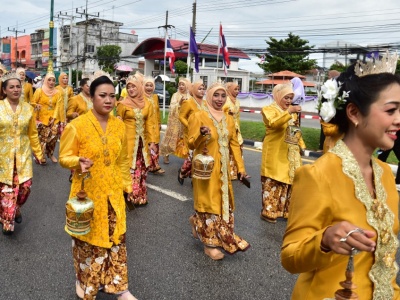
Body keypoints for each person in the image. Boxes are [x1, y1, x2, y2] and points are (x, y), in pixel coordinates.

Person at [281, 61, 400, 299]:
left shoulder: (386, 173)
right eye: (391, 110)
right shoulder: (317, 175)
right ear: (354, 113)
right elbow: (290, 258)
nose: (399, 119)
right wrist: (324, 240)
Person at [59, 74, 137, 300]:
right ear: (91, 97)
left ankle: (120, 287)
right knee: (88, 242)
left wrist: (126, 186)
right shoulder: (77, 126)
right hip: (87, 192)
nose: (108, 100)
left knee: (116, 238)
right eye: (102, 95)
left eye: (112, 96)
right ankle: (85, 283)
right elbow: (64, 157)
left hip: (113, 191)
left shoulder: (119, 126)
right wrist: (77, 162)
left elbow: (123, 159)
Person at [187, 82, 250, 260]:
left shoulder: (229, 118)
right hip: (205, 171)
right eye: (216, 95)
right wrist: (201, 134)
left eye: (223, 96)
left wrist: (241, 169)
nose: (219, 100)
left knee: (223, 205)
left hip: (223, 171)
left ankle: (196, 221)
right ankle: (209, 245)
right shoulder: (198, 116)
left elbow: (234, 145)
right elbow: (190, 143)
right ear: (209, 96)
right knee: (209, 204)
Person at [0, 73, 43, 235]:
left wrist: (39, 153)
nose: (16, 89)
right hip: (3, 159)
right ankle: (7, 222)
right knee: (7, 192)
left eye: (18, 86)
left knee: (25, 188)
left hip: (23, 157)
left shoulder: (28, 109)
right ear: (4, 90)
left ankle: (15, 208)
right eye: (11, 87)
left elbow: (32, 133)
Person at [260, 84, 304, 223]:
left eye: (291, 98)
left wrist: (301, 145)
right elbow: (274, 124)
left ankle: (284, 211)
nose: (288, 101)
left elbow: (295, 129)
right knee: (274, 180)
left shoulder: (291, 112)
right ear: (279, 96)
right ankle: (268, 211)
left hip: (290, 151)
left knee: (288, 181)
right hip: (275, 151)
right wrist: (289, 111)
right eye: (286, 97)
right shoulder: (268, 110)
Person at [116, 76, 156, 206]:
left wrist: (152, 142)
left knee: (141, 168)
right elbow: (117, 121)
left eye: (134, 86)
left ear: (139, 87)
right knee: (129, 168)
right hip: (127, 142)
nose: (131, 89)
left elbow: (150, 124)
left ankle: (140, 195)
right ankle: (129, 194)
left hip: (142, 144)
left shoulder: (147, 104)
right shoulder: (122, 104)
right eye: (128, 87)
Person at [31, 71, 65, 164]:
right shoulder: (39, 91)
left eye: (53, 80)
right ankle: (40, 155)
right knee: (43, 138)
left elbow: (58, 106)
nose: (51, 82)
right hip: (42, 118)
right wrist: (36, 105)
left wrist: (55, 117)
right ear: (45, 81)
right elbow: (33, 102)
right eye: (49, 80)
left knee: (53, 137)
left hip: (54, 118)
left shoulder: (58, 93)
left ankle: (50, 154)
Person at [177, 80, 205, 185]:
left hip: (202, 133)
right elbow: (181, 116)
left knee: (200, 156)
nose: (202, 91)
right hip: (190, 133)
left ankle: (195, 178)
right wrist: (190, 126)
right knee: (192, 156)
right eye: (199, 88)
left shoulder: (206, 103)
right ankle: (183, 171)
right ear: (193, 90)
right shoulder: (188, 102)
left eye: (203, 89)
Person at [160, 77, 191, 164]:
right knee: (170, 139)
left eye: (183, 85)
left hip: (184, 122)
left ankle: (187, 156)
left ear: (187, 86)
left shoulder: (189, 97)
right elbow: (172, 107)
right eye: (179, 84)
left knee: (184, 140)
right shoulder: (175, 95)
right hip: (175, 121)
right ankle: (166, 155)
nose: (181, 86)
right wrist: (179, 103)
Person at [143, 76, 165, 175]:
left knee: (156, 145)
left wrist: (159, 122)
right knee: (149, 146)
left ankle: (152, 166)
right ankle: (155, 165)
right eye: (146, 85)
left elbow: (157, 111)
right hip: (146, 126)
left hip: (155, 125)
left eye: (151, 85)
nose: (148, 87)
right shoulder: (141, 97)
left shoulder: (155, 97)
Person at [223, 81, 243, 180]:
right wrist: (227, 112)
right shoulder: (225, 100)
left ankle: (237, 171)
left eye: (238, 89)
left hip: (236, 128)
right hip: (227, 127)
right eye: (235, 89)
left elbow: (238, 117)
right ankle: (228, 172)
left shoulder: (237, 101)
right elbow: (220, 112)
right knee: (228, 150)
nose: (237, 91)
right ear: (230, 90)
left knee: (238, 148)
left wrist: (238, 128)